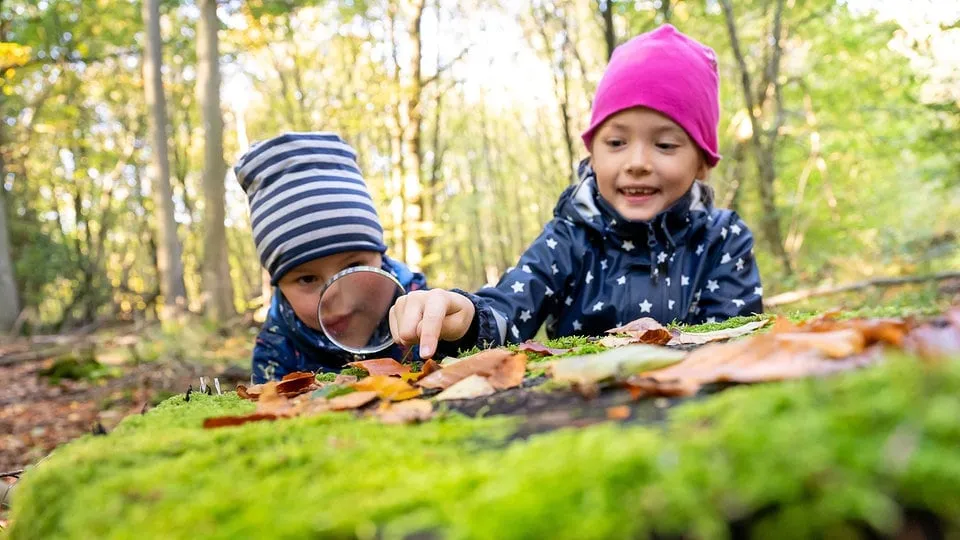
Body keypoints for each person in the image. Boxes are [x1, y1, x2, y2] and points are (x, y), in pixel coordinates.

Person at [389, 24, 764, 358]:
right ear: (593, 154)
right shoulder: (568, 237)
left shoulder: (722, 239)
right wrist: (466, 317)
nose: (637, 162)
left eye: (665, 145)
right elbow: (508, 313)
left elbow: (734, 342)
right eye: (616, 142)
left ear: (702, 163)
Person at [236, 132, 439, 383]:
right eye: (307, 279)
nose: (337, 296)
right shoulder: (276, 350)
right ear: (280, 287)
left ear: (380, 257)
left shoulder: (419, 305)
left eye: (354, 266)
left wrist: (467, 323)